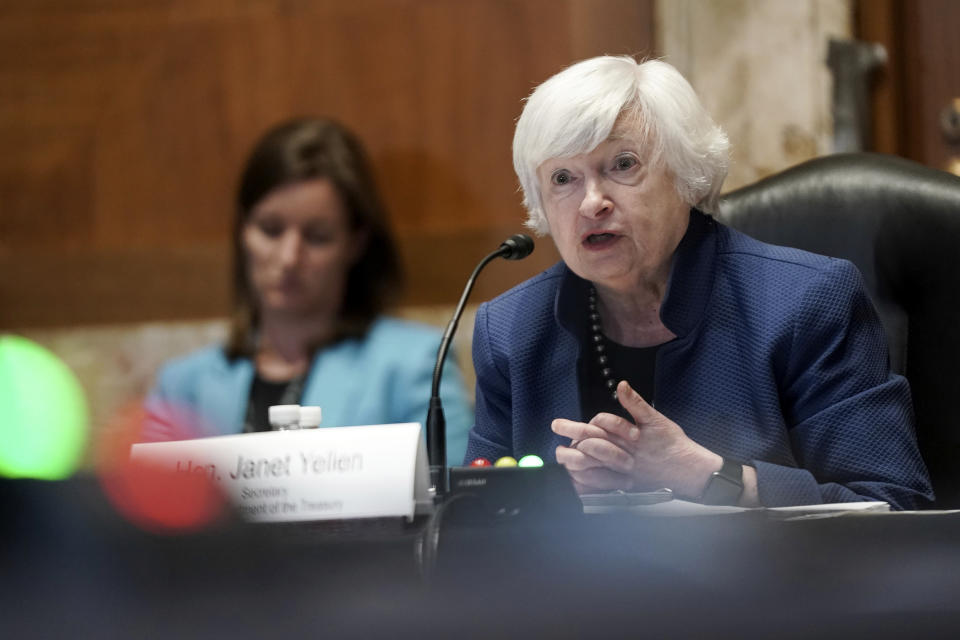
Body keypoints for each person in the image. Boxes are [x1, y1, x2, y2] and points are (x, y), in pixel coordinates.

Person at [465, 56, 933, 509]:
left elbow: (890, 506)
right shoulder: (510, 330)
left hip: (775, 585)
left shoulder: (808, 302)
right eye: (562, 177)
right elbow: (475, 522)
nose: (592, 202)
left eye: (623, 164)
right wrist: (548, 500)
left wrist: (706, 475)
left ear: (687, 174)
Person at [144, 117, 471, 463]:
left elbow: (455, 502)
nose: (289, 258)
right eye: (270, 230)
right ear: (242, 230)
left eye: (317, 237)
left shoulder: (415, 366)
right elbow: (140, 513)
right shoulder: (181, 385)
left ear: (356, 242)